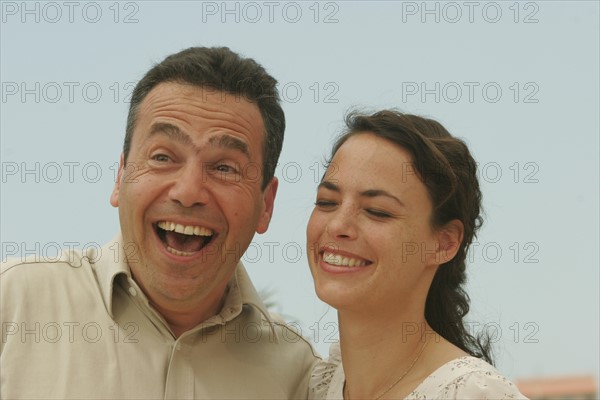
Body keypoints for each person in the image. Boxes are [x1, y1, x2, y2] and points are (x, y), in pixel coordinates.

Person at [1, 46, 318, 399]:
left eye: (224, 167)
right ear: (120, 176)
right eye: (163, 157)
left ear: (266, 205)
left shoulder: (300, 377)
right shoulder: (13, 305)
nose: (188, 191)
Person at [306, 110, 527, 399]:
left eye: (377, 211)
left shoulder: (473, 393)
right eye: (327, 201)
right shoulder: (318, 385)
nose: (337, 225)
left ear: (444, 243)